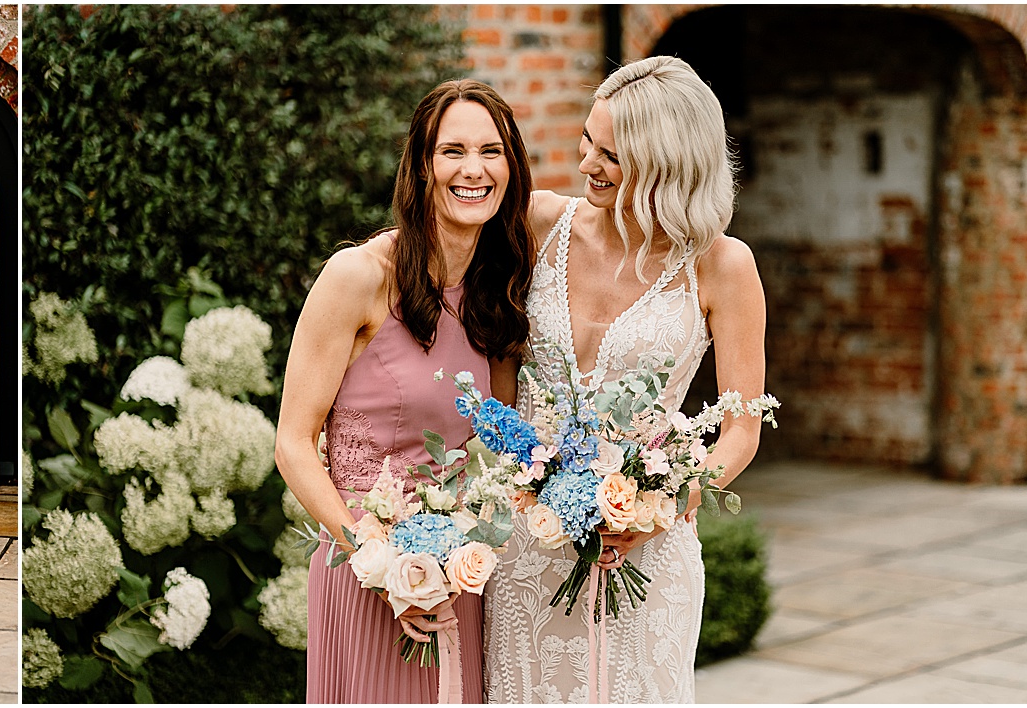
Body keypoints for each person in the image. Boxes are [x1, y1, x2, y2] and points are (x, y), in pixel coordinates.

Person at [484, 56, 767, 703]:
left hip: (646, 550)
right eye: (587, 140)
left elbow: (741, 429)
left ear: (665, 164)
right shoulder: (539, 223)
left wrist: (662, 504)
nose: (586, 163)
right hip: (528, 547)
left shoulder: (723, 266)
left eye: (609, 154)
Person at [274, 79, 533, 703]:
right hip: (366, 571)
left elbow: (499, 447)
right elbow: (291, 443)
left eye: (492, 151)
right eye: (453, 151)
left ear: (511, 168)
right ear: (422, 165)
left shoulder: (494, 293)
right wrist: (384, 565)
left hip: (458, 580)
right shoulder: (357, 277)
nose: (474, 170)